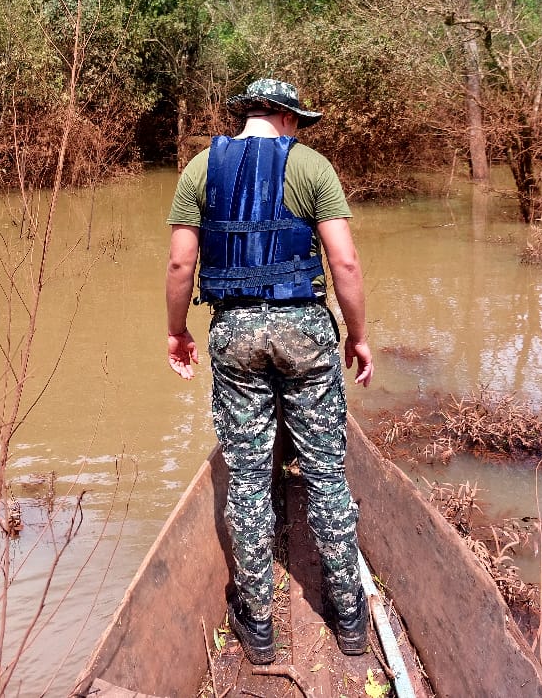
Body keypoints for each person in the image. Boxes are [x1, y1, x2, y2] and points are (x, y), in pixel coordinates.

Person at [165, 78, 374, 665]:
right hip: (304, 330)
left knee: (251, 481)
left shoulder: (200, 169)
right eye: (298, 122)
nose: (298, 131)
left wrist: (177, 331)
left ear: (247, 116)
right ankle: (350, 619)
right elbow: (345, 263)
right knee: (327, 475)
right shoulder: (312, 167)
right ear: (286, 118)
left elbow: (182, 261)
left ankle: (257, 626)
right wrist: (358, 338)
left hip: (233, 333)